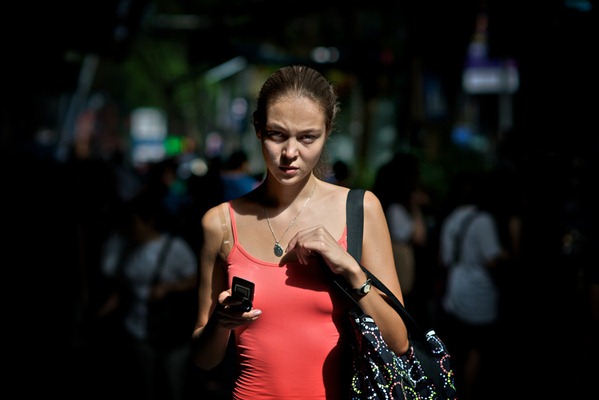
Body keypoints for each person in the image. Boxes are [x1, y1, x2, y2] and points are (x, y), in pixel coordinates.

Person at [191, 65, 409, 399]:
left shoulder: (361, 209)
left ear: (327, 131)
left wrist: (351, 270)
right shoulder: (220, 223)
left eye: (308, 137)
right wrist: (220, 322)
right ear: (258, 129)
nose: (290, 153)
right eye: (278, 134)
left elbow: (399, 341)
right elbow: (205, 361)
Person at [97, 189, 198, 400]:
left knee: (173, 383)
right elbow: (121, 288)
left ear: (149, 221)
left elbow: (196, 279)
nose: (130, 228)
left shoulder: (174, 247)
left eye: (134, 221)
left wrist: (169, 287)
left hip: (172, 330)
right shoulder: (126, 249)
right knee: (145, 385)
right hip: (137, 328)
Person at [436, 170, 508, 400]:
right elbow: (492, 259)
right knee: (475, 348)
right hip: (478, 295)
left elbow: (444, 259)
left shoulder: (454, 217)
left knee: (453, 349)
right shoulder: (484, 221)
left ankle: (446, 391)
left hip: (454, 290)